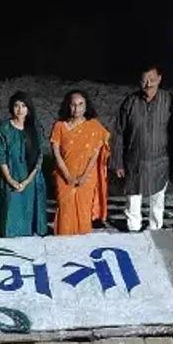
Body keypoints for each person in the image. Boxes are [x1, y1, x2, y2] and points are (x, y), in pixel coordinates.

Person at [111, 64, 173, 232]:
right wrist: (117, 162)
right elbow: (118, 132)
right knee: (133, 200)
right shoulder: (130, 101)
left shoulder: (168, 100)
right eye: (144, 80)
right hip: (134, 161)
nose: (148, 84)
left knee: (157, 200)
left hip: (160, 161)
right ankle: (133, 230)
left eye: (152, 79)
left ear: (160, 79)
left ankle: (156, 229)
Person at [50, 89, 111, 235]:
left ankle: (82, 250)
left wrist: (85, 175)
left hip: (86, 178)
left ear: (86, 106)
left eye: (80, 104)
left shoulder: (94, 126)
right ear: (68, 106)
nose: (76, 108)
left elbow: (95, 153)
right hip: (64, 177)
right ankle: (62, 248)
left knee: (83, 213)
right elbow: (56, 154)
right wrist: (67, 176)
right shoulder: (59, 126)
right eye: (73, 105)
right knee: (65, 212)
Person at [0, 91, 47, 237]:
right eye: (16, 105)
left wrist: (27, 181)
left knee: (28, 216)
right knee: (10, 216)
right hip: (10, 176)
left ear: (28, 108)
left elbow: (39, 157)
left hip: (30, 179)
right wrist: (10, 179)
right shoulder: (5, 128)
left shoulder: (34, 130)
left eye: (23, 106)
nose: (20, 109)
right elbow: (1, 156)